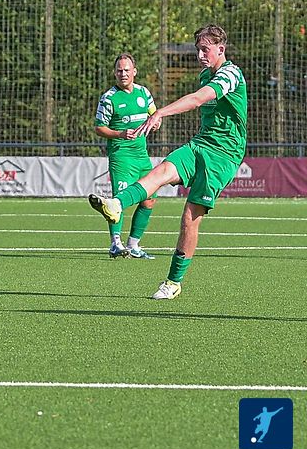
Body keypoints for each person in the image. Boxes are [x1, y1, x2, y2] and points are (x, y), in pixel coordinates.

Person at [89, 24, 247, 300]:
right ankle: (117, 204)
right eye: (198, 49)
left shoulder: (230, 74)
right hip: (200, 144)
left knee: (189, 218)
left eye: (205, 49)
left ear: (221, 49)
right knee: (162, 170)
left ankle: (173, 282)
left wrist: (160, 112)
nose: (200, 55)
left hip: (224, 154)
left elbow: (198, 100)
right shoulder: (204, 74)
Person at [94, 53, 157, 259]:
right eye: (119, 70)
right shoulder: (109, 98)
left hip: (142, 156)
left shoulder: (144, 93)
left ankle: (134, 245)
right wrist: (120, 134)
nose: (123, 74)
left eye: (126, 70)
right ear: (114, 73)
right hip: (121, 156)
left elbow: (154, 114)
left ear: (134, 72)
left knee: (148, 200)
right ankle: (115, 244)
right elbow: (99, 128)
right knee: (118, 201)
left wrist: (156, 122)